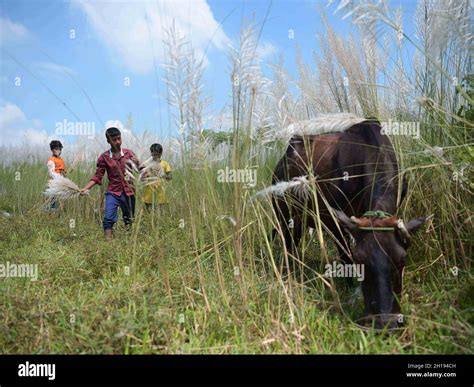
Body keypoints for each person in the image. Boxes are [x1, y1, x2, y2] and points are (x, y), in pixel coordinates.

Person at [80, 127, 140, 240]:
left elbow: (140, 170)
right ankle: (108, 244)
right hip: (113, 192)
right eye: (114, 140)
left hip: (129, 192)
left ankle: (129, 242)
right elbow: (98, 176)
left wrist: (138, 163)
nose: (117, 142)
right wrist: (85, 188)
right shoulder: (104, 157)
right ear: (108, 141)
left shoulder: (129, 153)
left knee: (129, 219)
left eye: (119, 139)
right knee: (108, 218)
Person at [141, 143, 172, 211]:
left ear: (160, 154)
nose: (155, 156)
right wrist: (145, 176)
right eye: (153, 154)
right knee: (148, 216)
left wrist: (163, 175)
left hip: (161, 196)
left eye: (157, 155)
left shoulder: (165, 164)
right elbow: (142, 178)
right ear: (151, 153)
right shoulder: (147, 164)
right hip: (148, 196)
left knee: (160, 215)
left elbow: (170, 177)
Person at [46, 140, 67, 211]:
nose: (59, 151)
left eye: (60, 149)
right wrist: (60, 178)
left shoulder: (60, 159)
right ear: (52, 150)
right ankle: (49, 214)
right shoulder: (51, 160)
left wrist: (64, 174)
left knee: (59, 200)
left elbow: (61, 171)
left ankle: (56, 213)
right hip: (53, 183)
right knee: (52, 201)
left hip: (59, 183)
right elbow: (51, 173)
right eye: (56, 149)